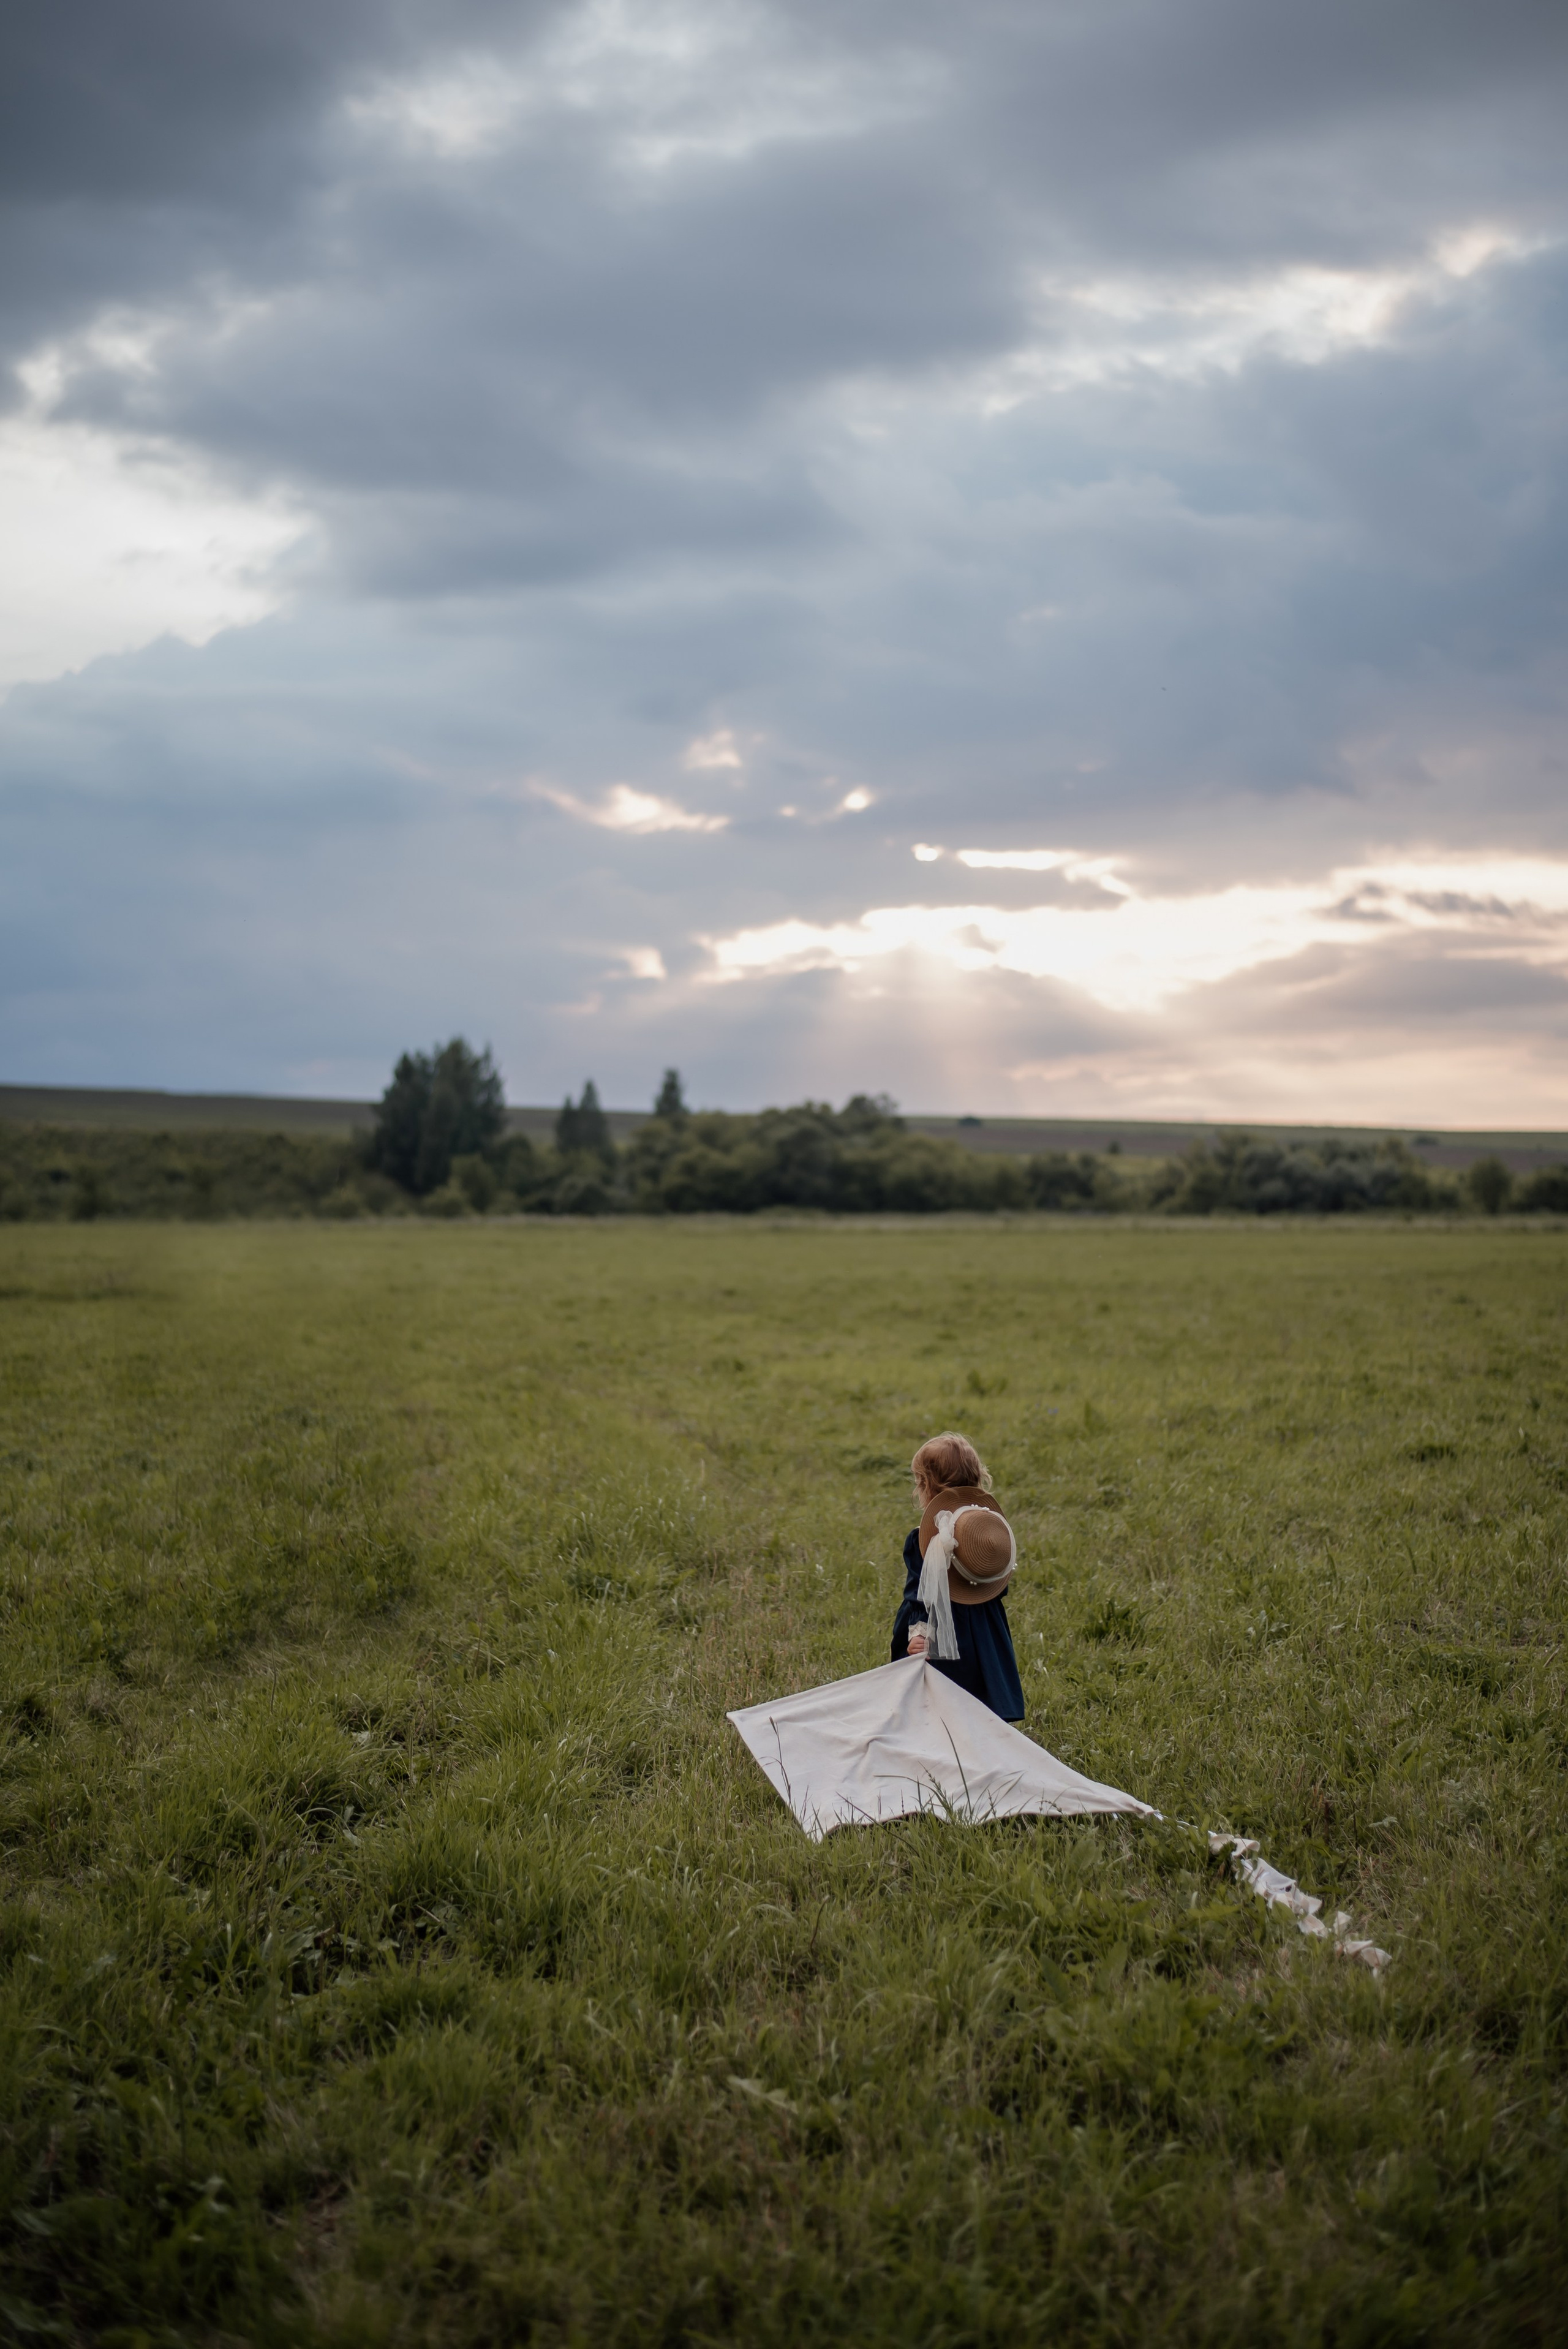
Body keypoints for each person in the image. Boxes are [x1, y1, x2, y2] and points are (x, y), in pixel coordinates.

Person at [890, 1430, 1025, 1722]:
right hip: (985, 1635)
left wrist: (918, 1634)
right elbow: (998, 1588)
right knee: (979, 1706)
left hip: (942, 1639)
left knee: (938, 1709)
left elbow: (920, 1596)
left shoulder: (923, 1540)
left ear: (926, 1488)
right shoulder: (990, 1531)